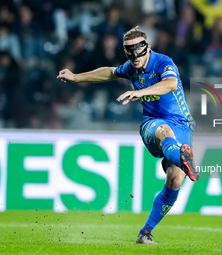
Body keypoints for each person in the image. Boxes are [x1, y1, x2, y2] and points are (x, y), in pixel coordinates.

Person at [57, 26, 200, 244]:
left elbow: (170, 84)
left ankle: (145, 232)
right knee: (165, 132)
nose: (134, 57)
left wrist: (139, 92)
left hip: (182, 124)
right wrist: (76, 77)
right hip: (152, 124)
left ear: (147, 48)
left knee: (175, 180)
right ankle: (181, 155)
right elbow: (109, 72)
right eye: (129, 52)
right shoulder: (131, 67)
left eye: (137, 51)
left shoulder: (163, 62)